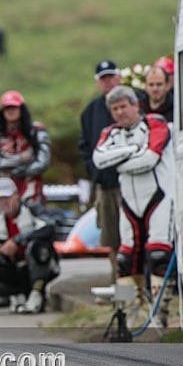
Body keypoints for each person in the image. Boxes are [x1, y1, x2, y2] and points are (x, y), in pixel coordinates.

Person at [92, 85, 175, 326]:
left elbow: (150, 158)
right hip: (129, 202)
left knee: (158, 254)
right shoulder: (110, 133)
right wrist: (131, 150)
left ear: (135, 105)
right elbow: (99, 160)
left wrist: (118, 159)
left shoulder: (155, 124)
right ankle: (128, 314)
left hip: (158, 198)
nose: (119, 112)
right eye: (115, 109)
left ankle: (161, 314)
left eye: (123, 107)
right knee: (125, 260)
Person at [0, 177, 60, 314]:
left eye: (7, 197)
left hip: (37, 264)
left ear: (16, 196)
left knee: (38, 247)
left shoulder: (32, 209)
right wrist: (2, 253)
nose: (4, 202)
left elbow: (49, 228)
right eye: (0, 199)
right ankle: (18, 293)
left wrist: (18, 240)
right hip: (14, 269)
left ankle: (36, 294)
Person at [78, 60, 123, 281]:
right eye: (103, 79)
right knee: (110, 237)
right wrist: (94, 172)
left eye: (111, 77)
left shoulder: (135, 104)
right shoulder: (90, 112)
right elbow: (85, 147)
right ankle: (119, 284)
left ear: (119, 78)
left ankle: (138, 285)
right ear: (98, 82)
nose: (108, 82)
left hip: (129, 183)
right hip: (104, 186)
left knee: (133, 236)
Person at [0, 90, 50, 204]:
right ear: (2, 111)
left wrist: (25, 170)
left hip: (30, 190)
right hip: (2, 191)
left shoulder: (36, 131)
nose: (10, 111)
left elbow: (43, 161)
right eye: (7, 108)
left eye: (14, 107)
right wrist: (17, 161)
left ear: (21, 109)